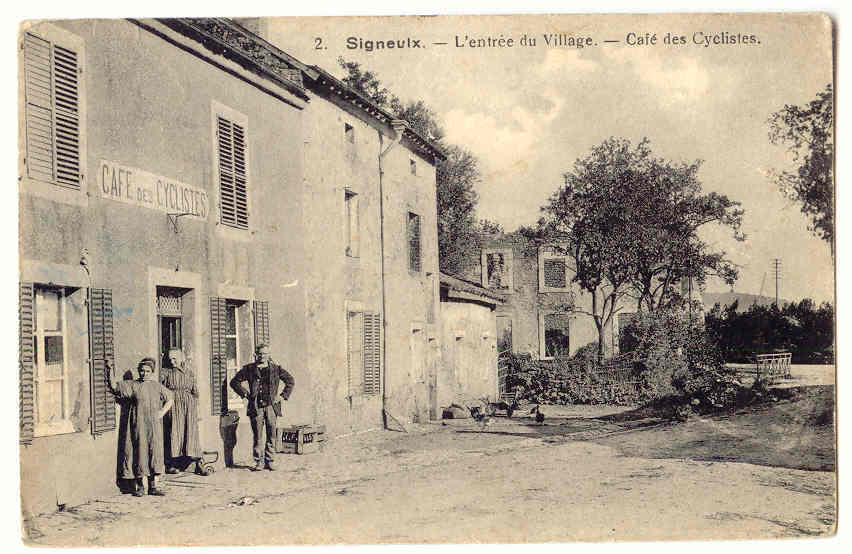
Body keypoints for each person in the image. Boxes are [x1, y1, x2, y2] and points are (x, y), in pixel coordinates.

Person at [106, 357, 173, 497]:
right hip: (138, 425)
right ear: (139, 371)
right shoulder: (132, 385)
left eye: (147, 371)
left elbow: (170, 398)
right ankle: (140, 487)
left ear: (152, 372)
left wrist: (162, 412)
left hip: (153, 426)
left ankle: (153, 487)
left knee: (153, 452)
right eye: (142, 371)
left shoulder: (157, 386)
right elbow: (114, 386)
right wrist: (110, 368)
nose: (144, 373)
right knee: (140, 453)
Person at [229, 344, 295, 471]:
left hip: (271, 406)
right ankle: (258, 461)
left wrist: (282, 396)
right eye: (260, 353)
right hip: (255, 407)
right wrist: (245, 394)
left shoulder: (276, 369)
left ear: (269, 354)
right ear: (255, 355)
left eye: (265, 354)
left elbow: (290, 381)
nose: (262, 356)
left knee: (272, 434)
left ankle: (270, 461)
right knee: (257, 435)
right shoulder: (249, 369)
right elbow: (234, 382)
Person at [160, 348, 208, 476]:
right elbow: (160, 389)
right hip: (173, 404)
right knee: (174, 433)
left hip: (188, 405)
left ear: (181, 358)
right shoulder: (165, 372)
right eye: (170, 359)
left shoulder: (189, 372)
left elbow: (195, 392)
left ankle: (198, 463)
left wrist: (197, 410)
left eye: (175, 358)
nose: (172, 361)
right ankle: (171, 464)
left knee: (191, 433)